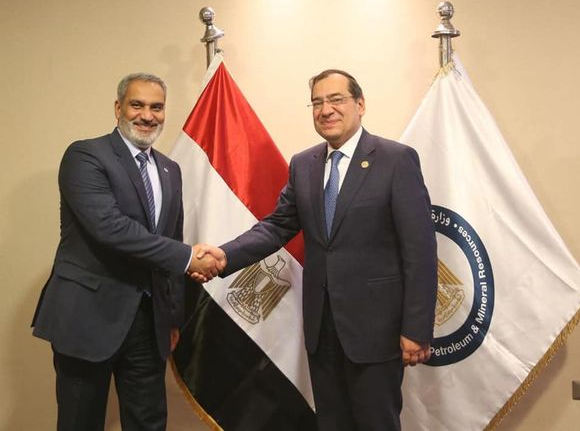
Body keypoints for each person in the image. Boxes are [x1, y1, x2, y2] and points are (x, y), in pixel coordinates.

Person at [195, 69, 438, 431]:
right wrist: (225, 255)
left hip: (376, 331)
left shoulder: (396, 160)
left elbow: (420, 251)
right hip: (321, 330)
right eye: (317, 102)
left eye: (336, 99)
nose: (326, 110)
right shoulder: (303, 164)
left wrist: (416, 328)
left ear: (360, 104)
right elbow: (277, 225)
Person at [32, 73, 224, 431]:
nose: (147, 115)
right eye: (137, 105)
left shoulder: (170, 169)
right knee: (80, 422)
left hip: (148, 323)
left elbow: (170, 236)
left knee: (148, 422)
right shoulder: (85, 155)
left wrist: (171, 316)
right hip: (87, 317)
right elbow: (110, 228)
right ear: (118, 107)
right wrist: (189, 257)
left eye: (157, 107)